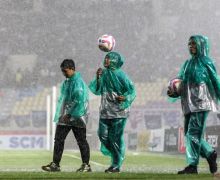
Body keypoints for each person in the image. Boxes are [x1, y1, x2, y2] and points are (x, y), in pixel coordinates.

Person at [167, 35, 220, 175]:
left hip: (201, 103)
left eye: (194, 44)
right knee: (189, 134)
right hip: (189, 104)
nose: (191, 46)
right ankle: (209, 153)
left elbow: (215, 81)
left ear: (201, 45)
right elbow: (180, 83)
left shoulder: (207, 62)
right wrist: (173, 92)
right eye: (189, 44)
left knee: (192, 134)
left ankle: (192, 165)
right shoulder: (187, 64)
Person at [89, 51, 136, 173]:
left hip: (119, 112)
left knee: (114, 138)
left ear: (114, 61)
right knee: (102, 135)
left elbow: (132, 91)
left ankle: (116, 165)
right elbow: (97, 90)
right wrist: (98, 78)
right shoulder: (104, 74)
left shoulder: (121, 75)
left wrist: (125, 98)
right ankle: (118, 154)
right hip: (105, 112)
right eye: (105, 58)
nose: (106, 60)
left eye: (108, 58)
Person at [42, 59, 91, 172]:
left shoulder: (77, 82)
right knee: (59, 139)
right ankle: (55, 164)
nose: (64, 73)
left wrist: (68, 113)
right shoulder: (68, 81)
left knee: (80, 140)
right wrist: (65, 113)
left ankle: (86, 165)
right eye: (62, 71)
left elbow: (78, 99)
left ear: (72, 69)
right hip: (67, 115)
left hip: (77, 115)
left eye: (65, 71)